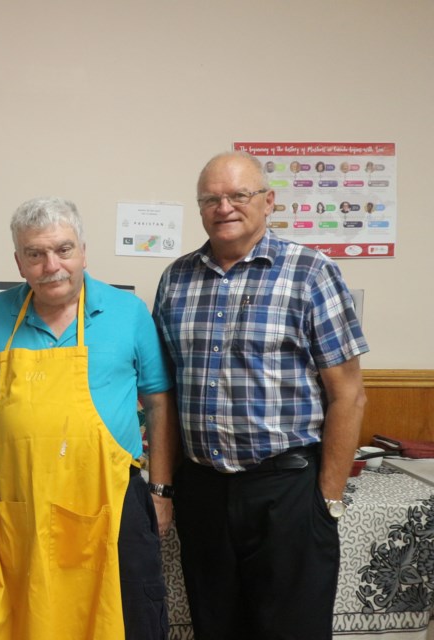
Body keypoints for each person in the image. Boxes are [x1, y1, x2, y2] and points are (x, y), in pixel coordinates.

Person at [153, 151, 369, 640]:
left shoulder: (310, 273)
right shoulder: (176, 280)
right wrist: (164, 488)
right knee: (216, 626)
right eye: (211, 198)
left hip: (286, 490)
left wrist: (327, 501)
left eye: (238, 195)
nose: (223, 207)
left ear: (268, 201)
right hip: (203, 491)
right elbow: (163, 393)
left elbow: (349, 396)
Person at [0, 198, 177, 640]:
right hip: (20, 506)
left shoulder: (127, 312)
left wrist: (159, 490)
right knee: (31, 618)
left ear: (83, 250)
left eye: (63, 250)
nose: (51, 265)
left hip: (112, 500)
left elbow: (158, 403)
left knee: (127, 617)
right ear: (18, 262)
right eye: (35, 254)